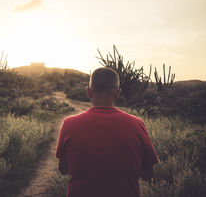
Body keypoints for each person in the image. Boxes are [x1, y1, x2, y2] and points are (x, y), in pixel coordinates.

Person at [56, 67, 158, 197]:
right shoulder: (137, 125)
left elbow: (63, 169)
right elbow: (148, 174)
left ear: (88, 92)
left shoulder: (69, 124)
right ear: (118, 93)